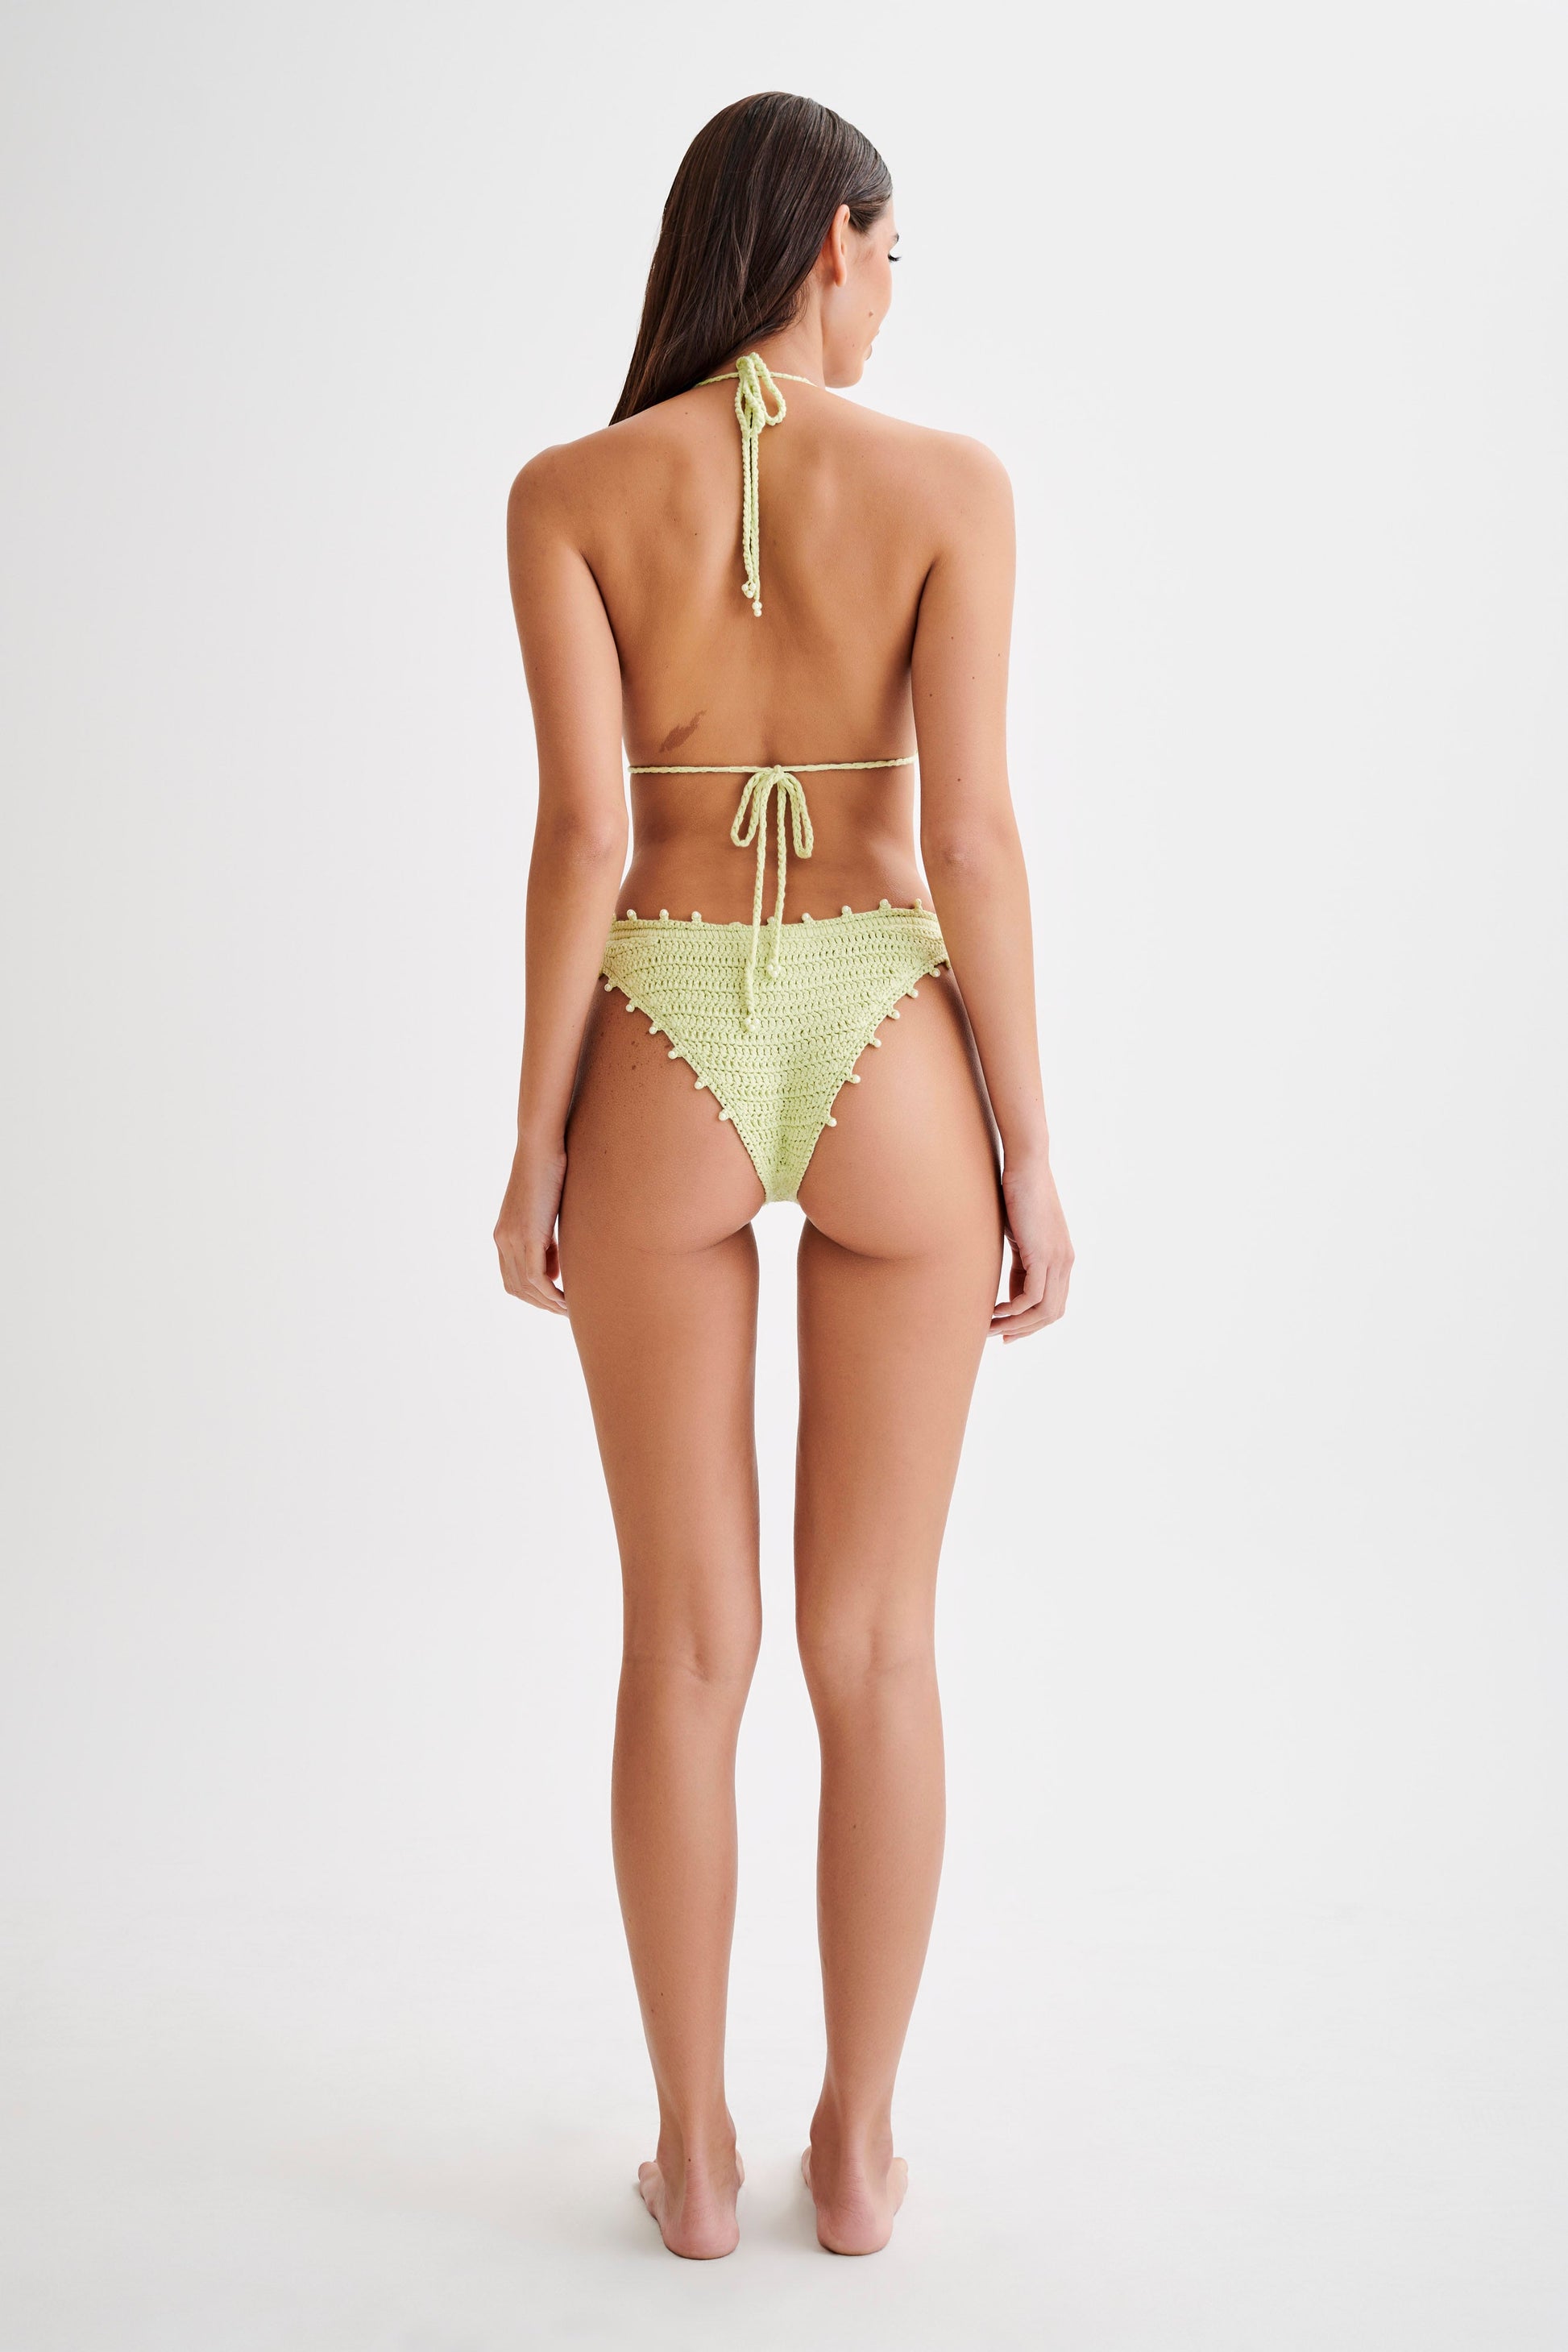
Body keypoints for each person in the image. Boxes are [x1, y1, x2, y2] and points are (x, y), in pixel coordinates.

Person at [493, 89, 1073, 2260]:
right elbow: (972, 838)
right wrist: (1030, 1152)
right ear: (831, 239)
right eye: (891, 254)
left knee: (684, 1641)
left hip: (657, 1027)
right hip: (884, 1040)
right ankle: (855, 2146)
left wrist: (531, 1142)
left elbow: (584, 833)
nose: (892, 295)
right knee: (877, 1645)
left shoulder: (570, 493)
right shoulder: (950, 487)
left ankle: (695, 2158)